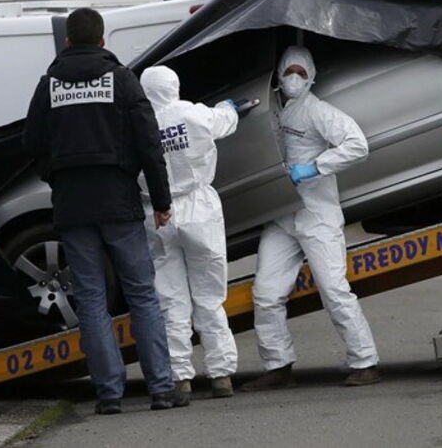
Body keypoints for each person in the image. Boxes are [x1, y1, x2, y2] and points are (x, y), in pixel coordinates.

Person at [23, 7, 188, 415]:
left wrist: (58, 177)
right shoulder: (122, 81)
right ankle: (161, 389)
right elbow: (149, 143)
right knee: (143, 295)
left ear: (67, 42)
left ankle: (109, 394)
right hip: (119, 202)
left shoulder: (49, 86)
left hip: (73, 207)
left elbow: (31, 144)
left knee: (92, 301)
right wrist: (162, 200)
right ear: (102, 41)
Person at [242, 45, 380, 391]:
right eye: (289, 71)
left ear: (312, 76)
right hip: (281, 216)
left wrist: (316, 167)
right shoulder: (274, 112)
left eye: (301, 73)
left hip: (317, 214)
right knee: (266, 292)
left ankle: (365, 361)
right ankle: (278, 364)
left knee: (334, 289)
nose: (294, 79)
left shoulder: (319, 112)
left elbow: (357, 144)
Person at [139, 66, 239, 398]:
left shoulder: (136, 123)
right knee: (209, 295)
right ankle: (221, 374)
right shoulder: (192, 113)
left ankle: (180, 377)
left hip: (158, 212)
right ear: (174, 85)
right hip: (199, 208)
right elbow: (226, 121)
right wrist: (230, 107)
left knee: (171, 299)